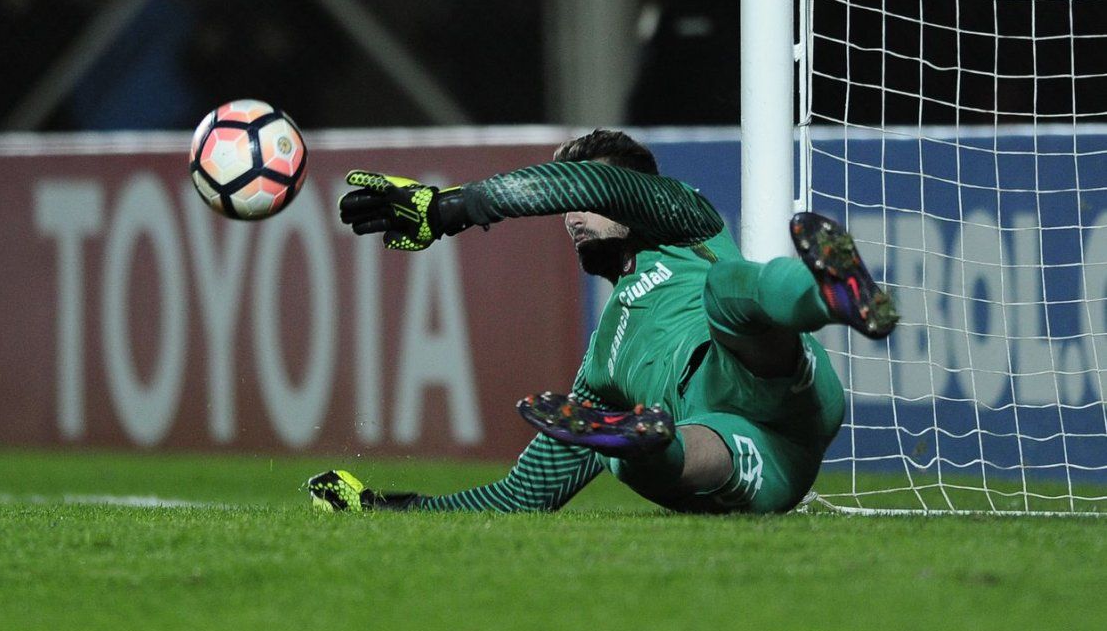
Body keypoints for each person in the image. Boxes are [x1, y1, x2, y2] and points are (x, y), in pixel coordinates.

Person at [308, 129, 898, 515]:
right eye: (567, 207)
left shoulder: (686, 223)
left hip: (773, 374)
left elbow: (600, 182)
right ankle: (647, 442)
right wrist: (386, 507)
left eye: (586, 202)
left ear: (638, 195)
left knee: (727, 290)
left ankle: (832, 294)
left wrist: (449, 208)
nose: (573, 217)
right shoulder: (602, 361)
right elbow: (521, 496)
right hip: (767, 461)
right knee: (630, 456)